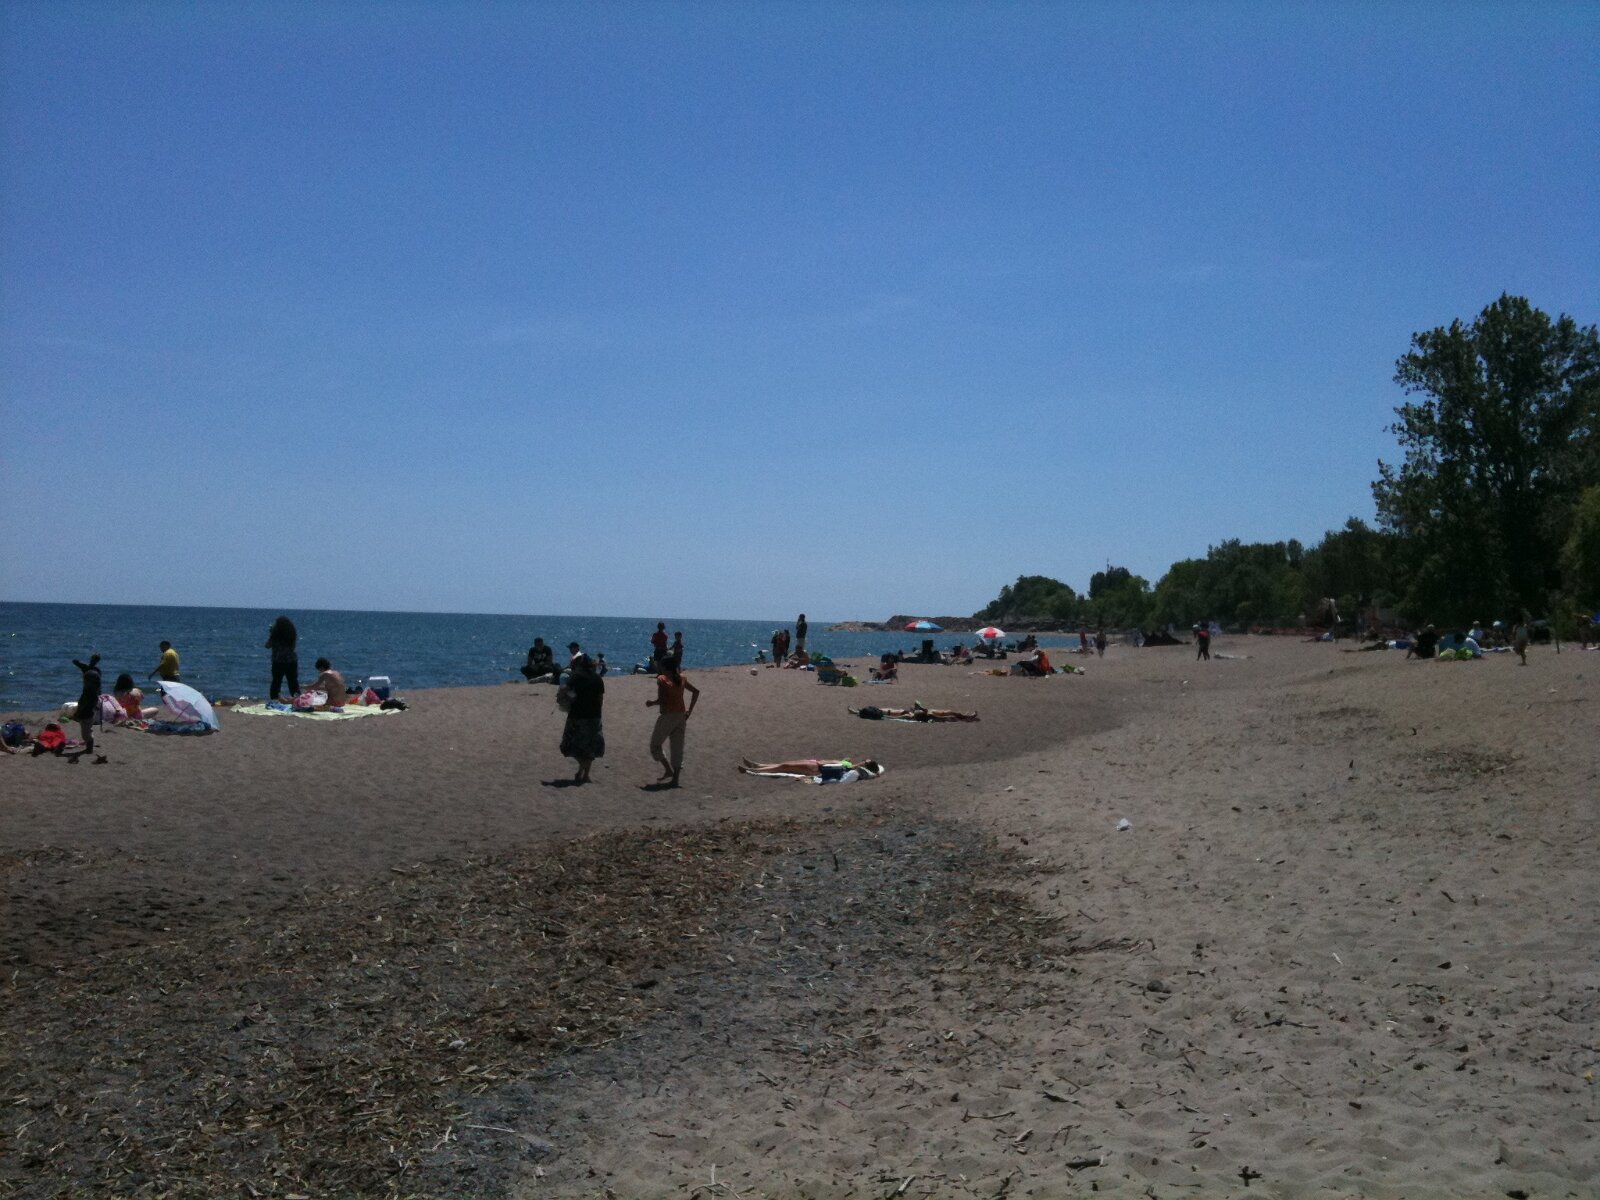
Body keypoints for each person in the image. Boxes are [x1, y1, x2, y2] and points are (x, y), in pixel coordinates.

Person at [645, 655, 700, 787]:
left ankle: (668, 770)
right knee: (677, 747)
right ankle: (675, 780)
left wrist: (651, 703)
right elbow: (696, 692)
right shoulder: (682, 678)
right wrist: (689, 711)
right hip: (681, 716)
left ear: (665, 667)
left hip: (668, 716)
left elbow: (662, 700)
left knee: (655, 745)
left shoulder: (662, 680)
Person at [558, 654, 605, 784]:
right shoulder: (597, 678)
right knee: (589, 748)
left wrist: (564, 697)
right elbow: (600, 698)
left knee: (571, 745)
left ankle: (582, 767)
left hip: (577, 715)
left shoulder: (576, 676)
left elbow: (565, 689)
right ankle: (584, 775)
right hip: (595, 716)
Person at [71, 654, 107, 763]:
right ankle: (89, 744)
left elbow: (84, 703)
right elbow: (75, 661)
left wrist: (78, 712)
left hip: (87, 710)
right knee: (87, 728)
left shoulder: (92, 671)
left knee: (85, 732)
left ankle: (89, 746)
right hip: (90, 707)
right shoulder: (88, 669)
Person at [740, 757, 883, 779]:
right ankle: (758, 765)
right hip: (815, 762)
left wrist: (860, 765)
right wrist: (846, 759)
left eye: (865, 762)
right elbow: (845, 762)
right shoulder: (852, 765)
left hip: (816, 768)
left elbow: (848, 770)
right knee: (785, 764)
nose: (863, 761)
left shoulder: (854, 770)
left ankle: (754, 770)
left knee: (785, 767)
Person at [265, 615, 299, 702]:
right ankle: (298, 699)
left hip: (278, 661)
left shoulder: (275, 636)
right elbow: (293, 647)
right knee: (293, 682)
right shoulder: (291, 635)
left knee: (276, 682)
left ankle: (275, 699)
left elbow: (267, 645)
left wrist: (271, 633)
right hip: (291, 661)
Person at [851, 704, 979, 722]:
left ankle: (966, 716)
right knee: (948, 714)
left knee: (948, 712)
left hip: (924, 714)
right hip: (926, 715)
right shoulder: (908, 716)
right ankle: (966, 717)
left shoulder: (908, 715)